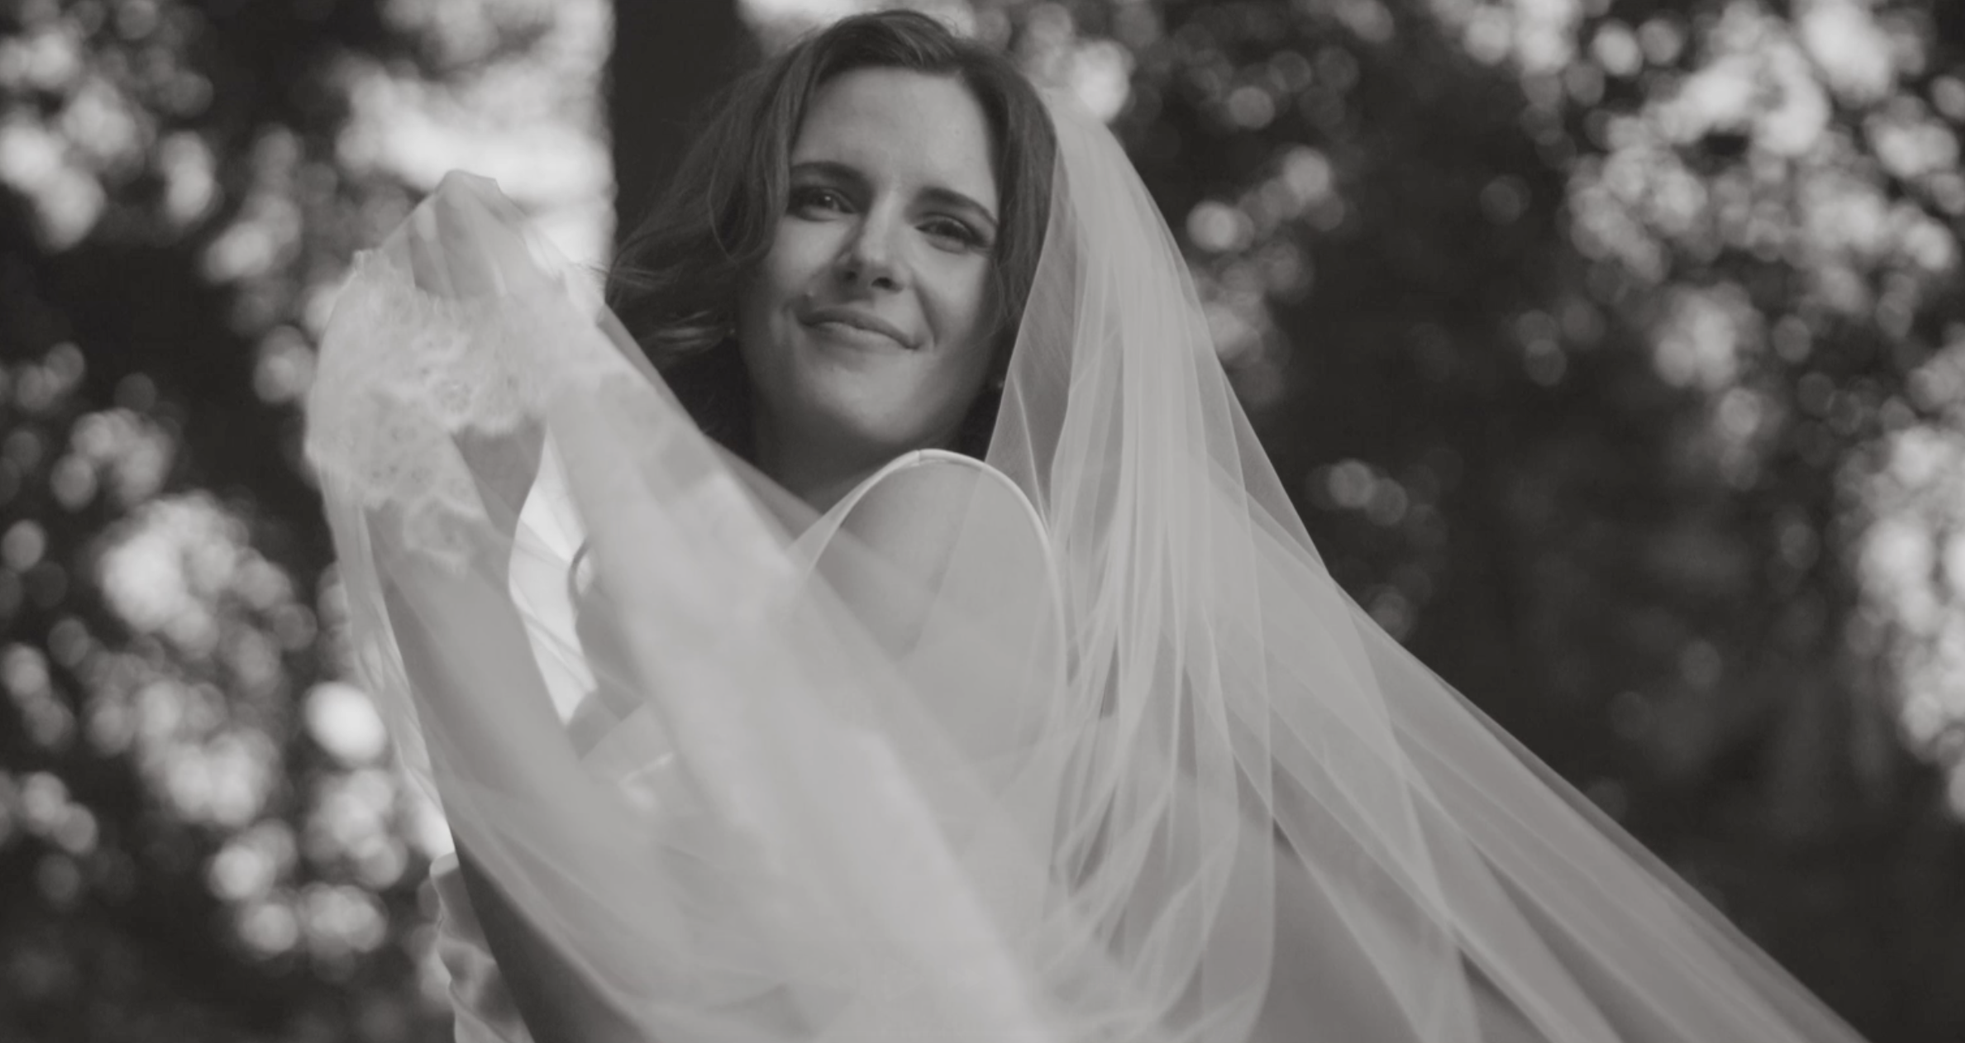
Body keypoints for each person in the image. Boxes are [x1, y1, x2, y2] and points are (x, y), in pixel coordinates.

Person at [305, 10, 1871, 1043]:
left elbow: (647, 1019)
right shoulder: (629, 686)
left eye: (949, 227)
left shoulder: (951, 537)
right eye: (826, 194)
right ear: (744, 240)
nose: (874, 254)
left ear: (1006, 322)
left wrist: (436, 562)